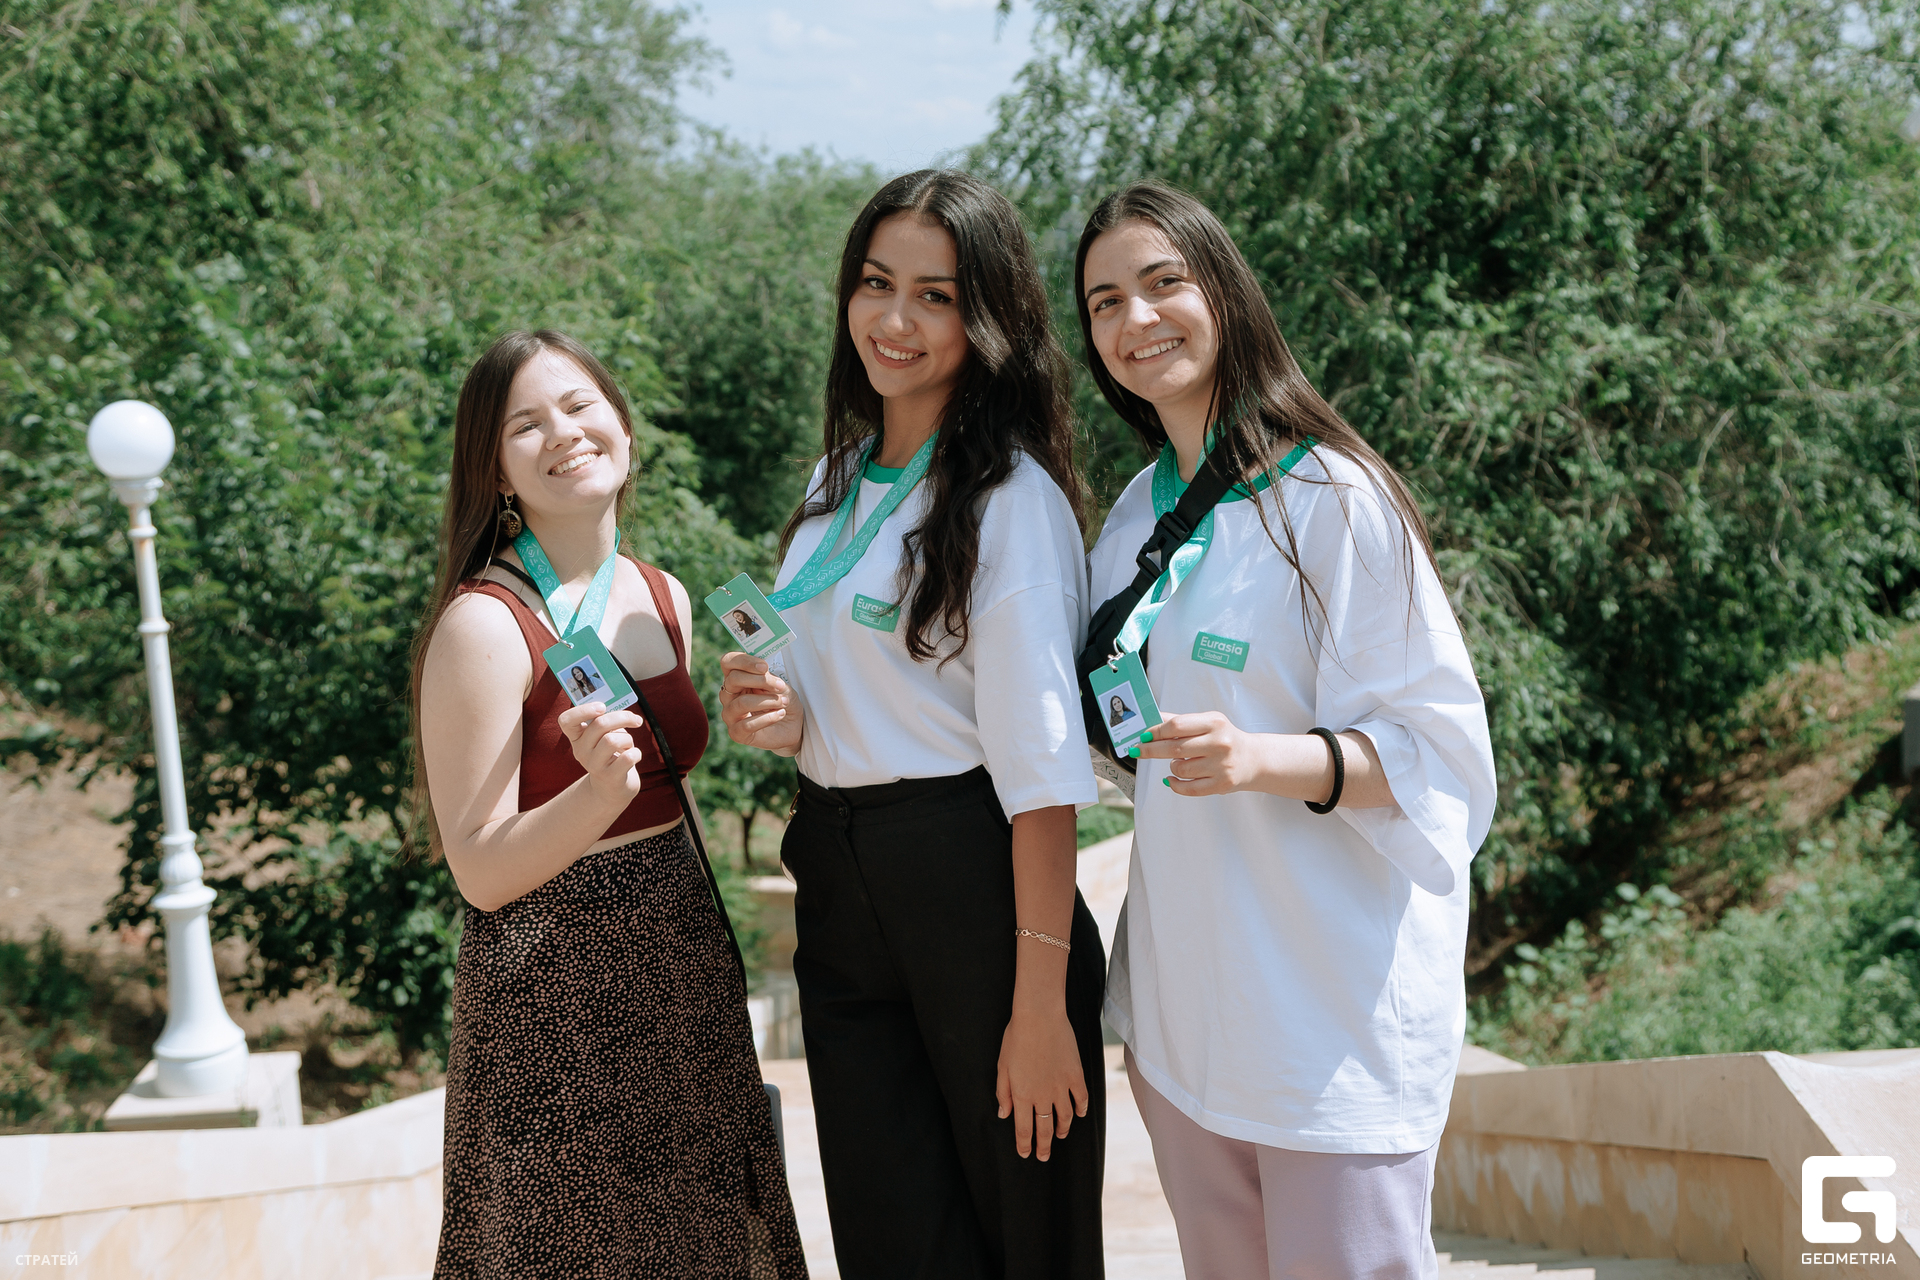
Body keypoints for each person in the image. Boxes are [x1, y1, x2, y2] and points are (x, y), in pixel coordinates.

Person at [1078, 182, 1496, 1277]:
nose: (1136, 319)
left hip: (1326, 1025)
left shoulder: (1333, 496)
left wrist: (1261, 759)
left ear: (1224, 293)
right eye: (1105, 301)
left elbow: (1441, 758)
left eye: (1163, 283)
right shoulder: (1131, 516)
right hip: (1185, 1019)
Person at [717, 170, 1106, 1280]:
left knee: (1027, 1246)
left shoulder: (1009, 501)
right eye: (877, 284)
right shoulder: (835, 479)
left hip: (974, 885)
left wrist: (1041, 1005)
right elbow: (858, 689)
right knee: (893, 1242)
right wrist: (788, 718)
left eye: (935, 296)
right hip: (839, 876)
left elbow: (1041, 776)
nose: (895, 319)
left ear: (988, 320)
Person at [412, 329, 805, 1278]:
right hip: (555, 989)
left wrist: (784, 725)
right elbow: (479, 869)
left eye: (581, 404)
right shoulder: (483, 623)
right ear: (496, 472)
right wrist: (597, 795)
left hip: (684, 965)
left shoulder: (661, 594)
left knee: (703, 1245)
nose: (564, 433)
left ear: (623, 426)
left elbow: (674, 788)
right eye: (526, 425)